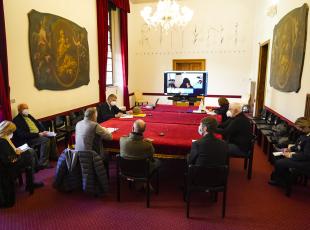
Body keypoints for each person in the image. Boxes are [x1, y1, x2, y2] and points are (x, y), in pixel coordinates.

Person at [0, 121, 44, 203]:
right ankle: (31, 181)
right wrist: (18, 153)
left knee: (30, 152)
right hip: (9, 166)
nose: (12, 134)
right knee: (29, 154)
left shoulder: (4, 138)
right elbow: (10, 159)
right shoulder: (2, 141)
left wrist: (16, 151)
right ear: (7, 131)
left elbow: (9, 152)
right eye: (11, 132)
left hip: (10, 162)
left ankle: (34, 171)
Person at [269, 117, 310, 187]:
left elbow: (306, 155)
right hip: (299, 157)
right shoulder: (304, 134)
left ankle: (281, 181)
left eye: (299, 128)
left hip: (305, 162)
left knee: (280, 162)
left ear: (304, 127)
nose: (298, 130)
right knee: (277, 156)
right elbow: (298, 145)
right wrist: (290, 149)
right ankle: (285, 178)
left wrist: (291, 155)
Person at [13, 103, 55, 169]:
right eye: (24, 109)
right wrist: (38, 134)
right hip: (28, 139)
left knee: (51, 136)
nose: (26, 110)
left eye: (27, 108)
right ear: (20, 110)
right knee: (45, 140)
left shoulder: (29, 116)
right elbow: (23, 135)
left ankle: (53, 156)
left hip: (37, 134)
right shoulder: (16, 120)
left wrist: (43, 131)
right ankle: (43, 163)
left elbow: (37, 123)